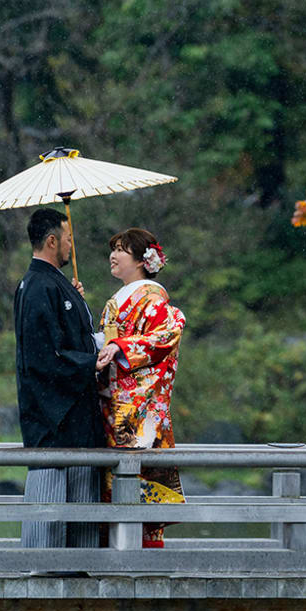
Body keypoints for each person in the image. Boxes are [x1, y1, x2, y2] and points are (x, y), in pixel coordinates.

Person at [13, 207, 104, 548]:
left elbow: (68, 339)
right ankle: (41, 569)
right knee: (50, 499)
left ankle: (79, 570)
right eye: (68, 239)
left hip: (72, 413)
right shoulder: (38, 286)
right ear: (51, 241)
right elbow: (44, 356)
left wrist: (75, 301)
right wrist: (90, 364)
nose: (71, 247)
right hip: (53, 414)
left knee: (81, 502)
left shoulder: (52, 284)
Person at [96, 227, 186, 548]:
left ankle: (143, 568)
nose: (113, 255)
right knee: (111, 491)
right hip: (112, 406)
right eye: (113, 249)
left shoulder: (152, 299)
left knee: (137, 489)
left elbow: (167, 335)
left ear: (140, 260)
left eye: (120, 249)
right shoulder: (119, 301)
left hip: (137, 409)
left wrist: (120, 347)